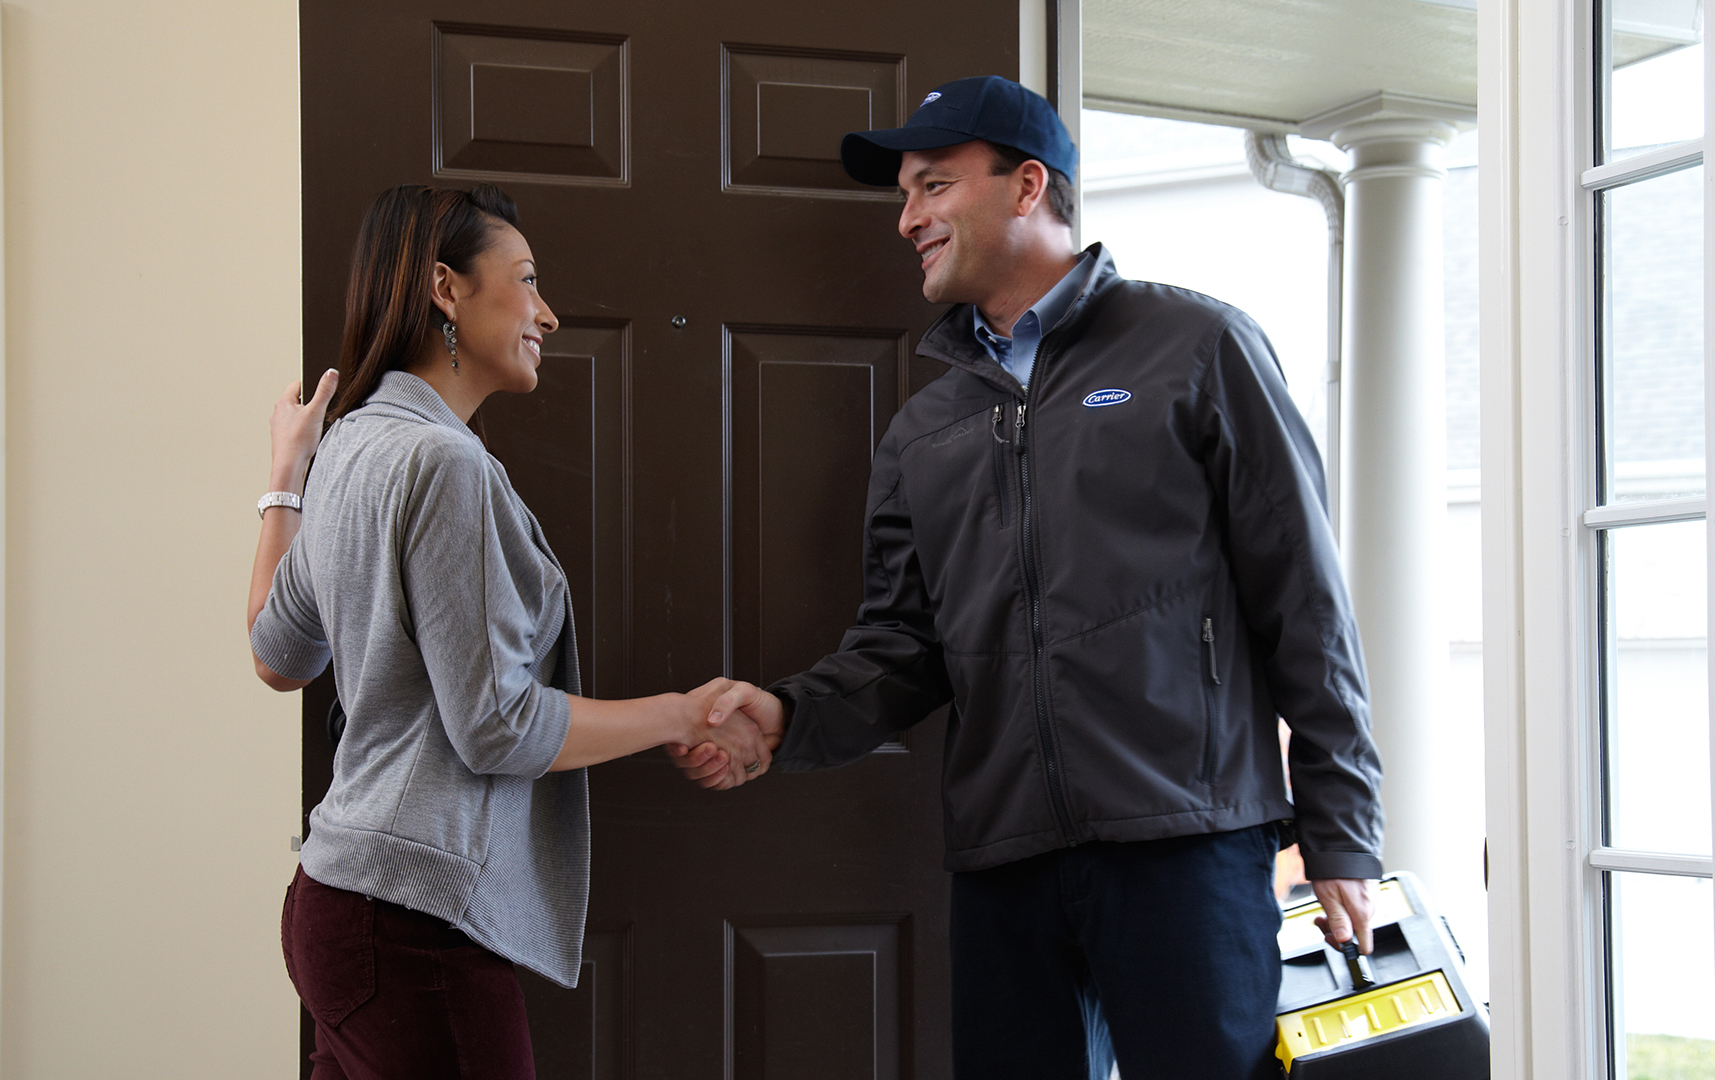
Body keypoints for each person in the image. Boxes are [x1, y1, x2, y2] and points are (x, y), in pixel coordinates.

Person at [672, 76, 1386, 1078]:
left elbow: (1304, 599)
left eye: (931, 186)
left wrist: (1343, 829)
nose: (907, 218)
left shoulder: (1197, 348)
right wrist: (786, 719)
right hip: (1006, 863)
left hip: (1185, 845)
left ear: (1026, 186)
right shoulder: (927, 427)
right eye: (905, 196)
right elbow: (899, 648)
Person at [248, 183, 772, 1080]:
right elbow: (497, 726)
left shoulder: (353, 448)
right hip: (411, 927)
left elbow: (274, 653)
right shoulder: (441, 463)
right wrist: (680, 715)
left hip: (335, 905)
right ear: (445, 289)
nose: (549, 313)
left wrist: (286, 478)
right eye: (526, 281)